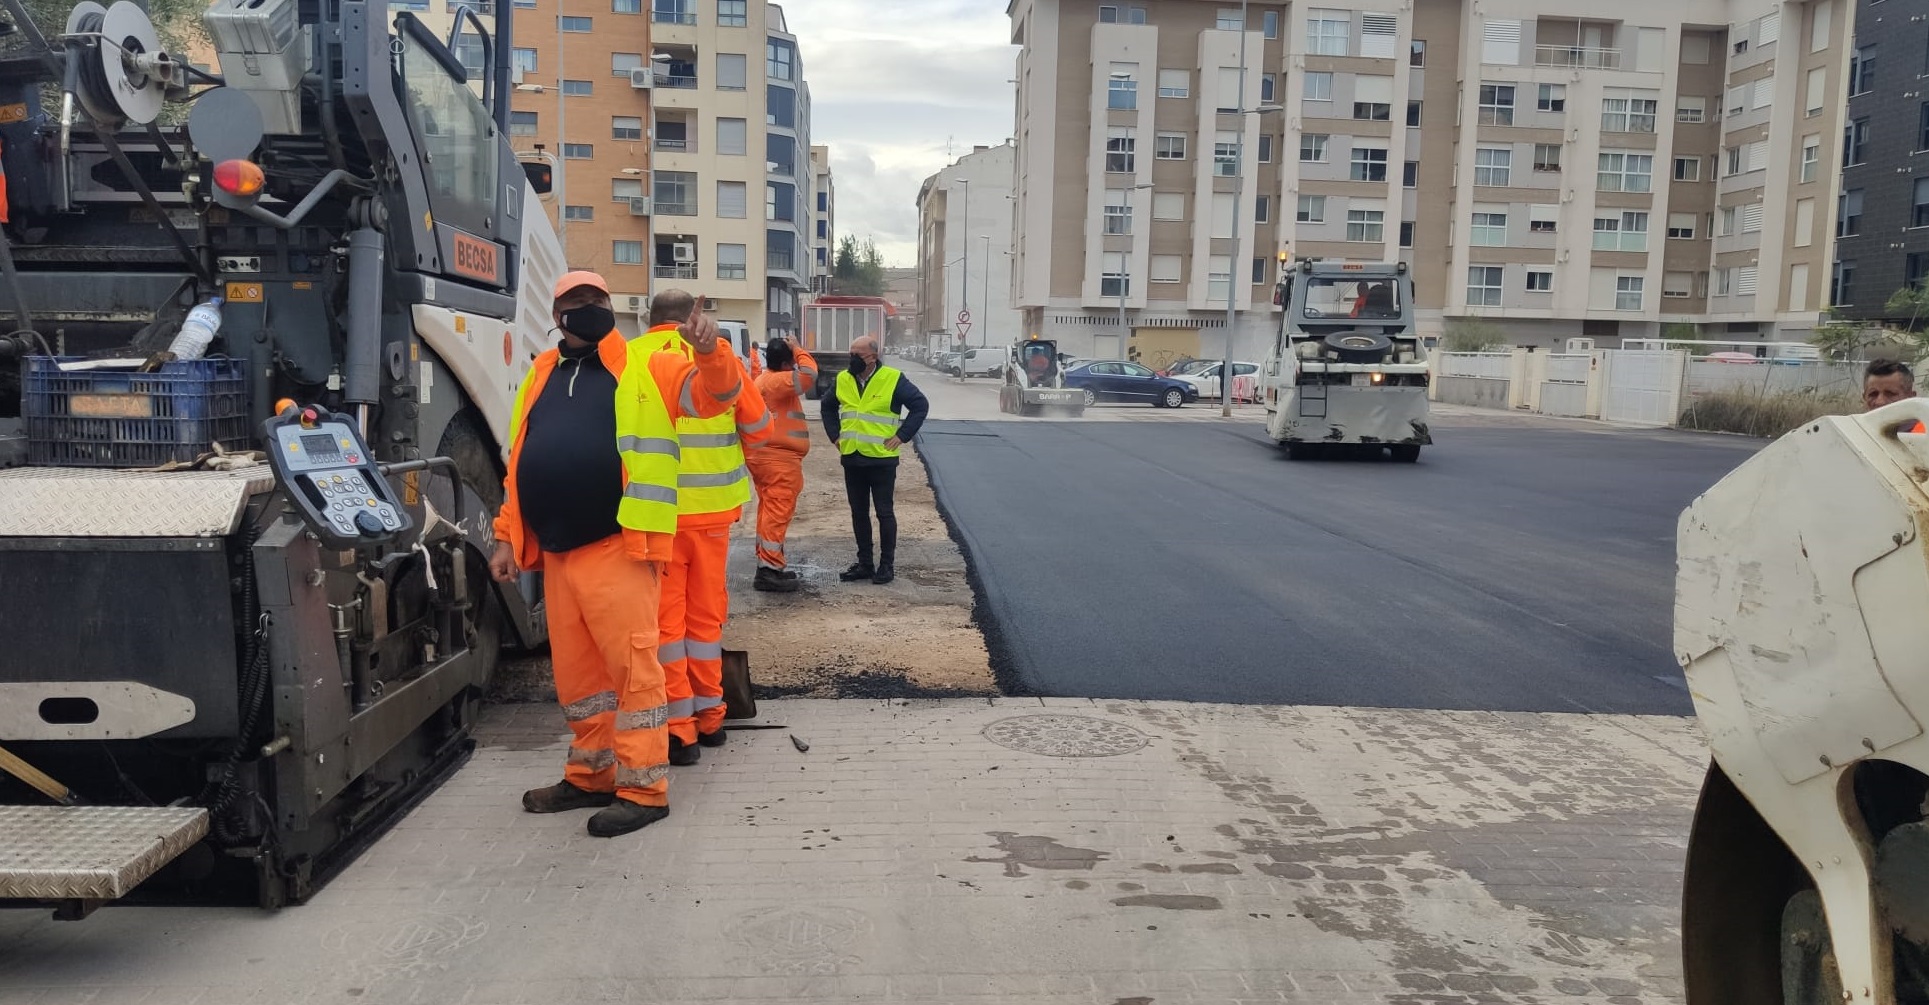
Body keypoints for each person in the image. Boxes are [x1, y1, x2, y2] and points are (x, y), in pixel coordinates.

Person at [490, 271, 743, 837]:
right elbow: (518, 463)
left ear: (611, 307)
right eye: (575, 303)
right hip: (557, 550)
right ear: (557, 315)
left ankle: (644, 789)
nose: (588, 309)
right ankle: (591, 775)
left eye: (596, 301)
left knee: (633, 672)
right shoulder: (542, 372)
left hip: (618, 545)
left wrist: (711, 351)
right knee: (580, 680)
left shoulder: (644, 364)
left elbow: (713, 397)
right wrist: (507, 535)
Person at [635, 291, 770, 764]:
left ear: (648, 320)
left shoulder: (631, 359)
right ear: (690, 320)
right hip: (713, 516)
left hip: (656, 518)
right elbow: (759, 429)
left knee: (666, 626)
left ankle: (679, 730)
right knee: (705, 621)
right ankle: (712, 718)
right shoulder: (719, 358)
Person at [821, 334, 928, 585]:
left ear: (872, 356)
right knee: (858, 513)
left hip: (881, 460)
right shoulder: (844, 379)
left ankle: (886, 566)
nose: (852, 359)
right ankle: (865, 564)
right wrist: (834, 436)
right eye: (851, 354)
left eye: (857, 355)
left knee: (884, 512)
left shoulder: (892, 378)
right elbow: (827, 407)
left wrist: (902, 435)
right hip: (852, 458)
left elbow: (920, 405)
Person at [747, 336, 818, 592]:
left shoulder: (763, 380)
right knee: (777, 513)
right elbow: (810, 374)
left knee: (769, 511)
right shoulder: (779, 380)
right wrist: (799, 348)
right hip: (779, 459)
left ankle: (769, 564)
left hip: (766, 457)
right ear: (788, 362)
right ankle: (768, 571)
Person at [1864, 359, 1925, 432]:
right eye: (1873, 394)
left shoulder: (1923, 433)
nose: (1880, 402)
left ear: (1911, 397)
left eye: (1890, 394)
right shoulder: (1855, 433)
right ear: (1864, 397)